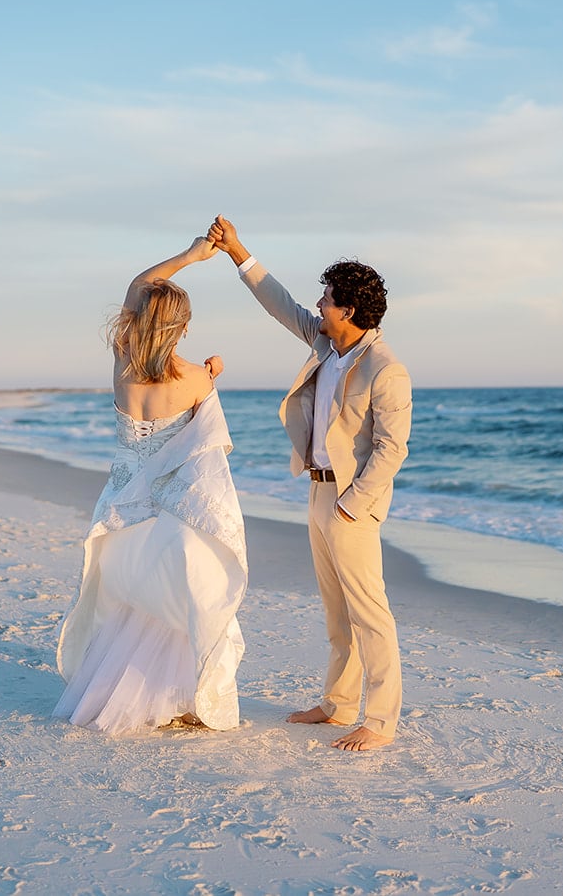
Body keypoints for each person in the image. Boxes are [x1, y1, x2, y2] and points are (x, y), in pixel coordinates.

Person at [206, 215, 411, 751]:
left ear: (348, 310)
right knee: (335, 609)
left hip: (352, 502)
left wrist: (352, 505)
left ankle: (381, 721)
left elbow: (392, 451)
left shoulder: (386, 369)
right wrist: (237, 252)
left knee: (370, 612)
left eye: (325, 299)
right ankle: (339, 703)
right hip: (318, 488)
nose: (317, 306)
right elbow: (279, 302)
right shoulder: (327, 346)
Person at [54, 236, 248, 734]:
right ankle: (179, 698)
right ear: (182, 327)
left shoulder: (122, 360)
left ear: (139, 321)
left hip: (121, 506)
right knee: (185, 600)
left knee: (135, 602)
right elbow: (202, 445)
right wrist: (214, 372)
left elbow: (138, 284)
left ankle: (130, 694)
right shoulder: (196, 379)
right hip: (169, 507)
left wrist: (189, 256)